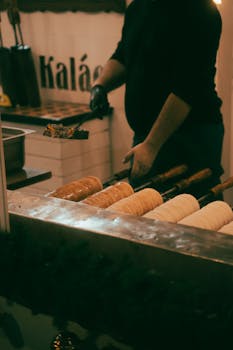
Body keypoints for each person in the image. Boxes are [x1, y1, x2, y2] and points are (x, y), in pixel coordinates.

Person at [89, 0, 224, 197]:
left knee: (191, 211)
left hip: (191, 138)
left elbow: (188, 87)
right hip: (148, 137)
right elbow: (124, 55)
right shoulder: (138, 7)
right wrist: (100, 86)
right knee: (149, 212)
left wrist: (152, 145)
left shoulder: (201, 10)